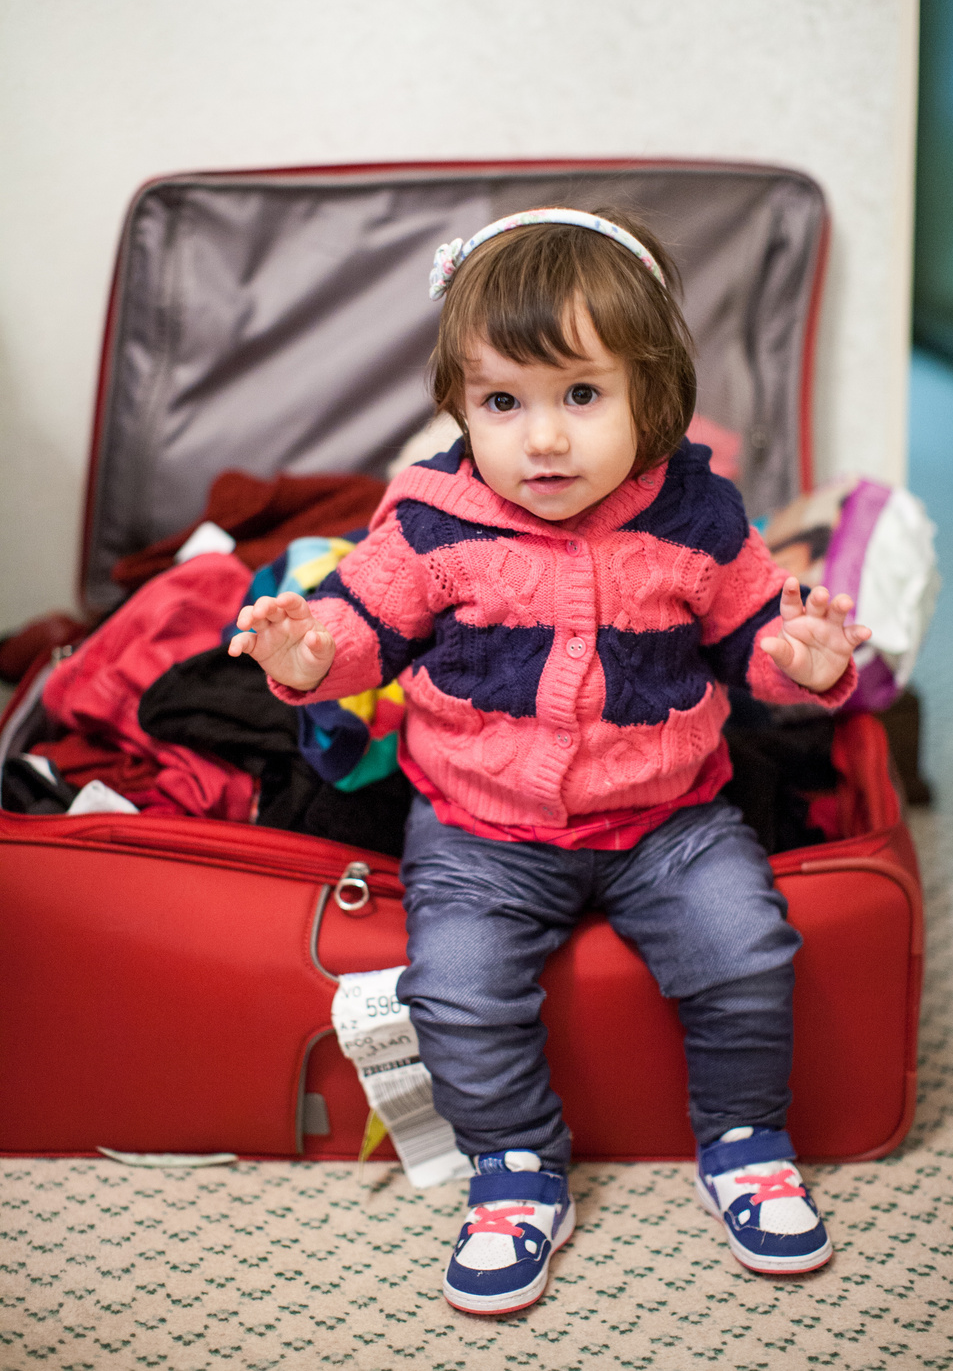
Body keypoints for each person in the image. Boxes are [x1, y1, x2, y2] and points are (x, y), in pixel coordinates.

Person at [228, 207, 870, 1316]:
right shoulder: (430, 520)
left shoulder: (699, 516)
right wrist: (307, 652)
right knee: (457, 991)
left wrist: (803, 664)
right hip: (480, 829)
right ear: (458, 407)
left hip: (669, 818)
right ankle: (517, 1167)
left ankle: (744, 1139)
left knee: (747, 951)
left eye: (581, 396)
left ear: (652, 392)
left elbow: (751, 636)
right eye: (501, 404)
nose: (543, 441)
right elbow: (359, 631)